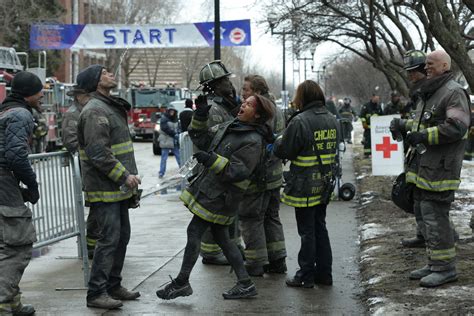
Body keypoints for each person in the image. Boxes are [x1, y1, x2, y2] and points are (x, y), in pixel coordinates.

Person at [156, 93, 274, 300]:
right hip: (213, 192)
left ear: (257, 115)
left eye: (248, 105)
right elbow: (200, 138)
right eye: (244, 102)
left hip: (222, 197)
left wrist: (211, 160)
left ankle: (182, 282)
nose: (242, 105)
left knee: (194, 231)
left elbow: (239, 171)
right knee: (223, 238)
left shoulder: (253, 140)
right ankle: (245, 283)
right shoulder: (232, 126)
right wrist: (200, 115)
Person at [390, 50, 470, 287]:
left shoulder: (453, 92)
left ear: (445, 65)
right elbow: (421, 124)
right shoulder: (431, 92)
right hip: (425, 166)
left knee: (436, 216)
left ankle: (445, 268)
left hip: (441, 169)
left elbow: (457, 127)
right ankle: (434, 262)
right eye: (425, 66)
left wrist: (423, 136)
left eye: (430, 64)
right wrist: (403, 126)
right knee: (425, 213)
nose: (426, 69)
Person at [77, 64, 142, 309]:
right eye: (104, 72)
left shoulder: (107, 106)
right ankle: (96, 293)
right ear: (94, 82)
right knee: (109, 239)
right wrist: (124, 176)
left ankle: (113, 286)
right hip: (105, 188)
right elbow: (98, 152)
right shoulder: (95, 111)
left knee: (121, 236)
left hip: (116, 189)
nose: (110, 74)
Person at [273, 80, 339, 288]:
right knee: (320, 227)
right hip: (324, 183)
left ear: (302, 97)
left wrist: (277, 141)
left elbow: (285, 151)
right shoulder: (332, 119)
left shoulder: (300, 121)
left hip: (304, 186)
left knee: (307, 231)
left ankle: (305, 275)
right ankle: (324, 275)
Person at [0, 71, 44, 316]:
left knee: (4, 245)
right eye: (40, 92)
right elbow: (16, 156)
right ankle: (3, 304)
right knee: (17, 246)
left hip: (6, 184)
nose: (42, 97)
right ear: (28, 93)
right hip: (4, 184)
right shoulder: (21, 114)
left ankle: (12, 302)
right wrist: (32, 185)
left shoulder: (5, 111)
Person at [239, 74, 287, 276]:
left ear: (257, 92)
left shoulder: (259, 110)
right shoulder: (277, 110)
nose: (243, 94)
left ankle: (256, 263)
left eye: (246, 90)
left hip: (258, 176)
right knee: (272, 217)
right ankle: (278, 261)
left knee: (252, 219)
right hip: (275, 175)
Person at [195, 60, 242, 265]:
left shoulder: (225, 106)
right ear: (214, 85)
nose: (229, 84)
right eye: (224, 80)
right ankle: (211, 253)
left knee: (228, 212)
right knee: (213, 212)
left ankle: (230, 247)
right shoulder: (213, 109)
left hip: (225, 167)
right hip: (215, 168)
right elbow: (212, 141)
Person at [62, 82, 100, 260]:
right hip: (88, 167)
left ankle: (96, 243)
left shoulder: (90, 111)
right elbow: (71, 141)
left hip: (96, 166)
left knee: (99, 206)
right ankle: (90, 246)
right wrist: (91, 155)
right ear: (78, 96)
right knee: (96, 206)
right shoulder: (72, 114)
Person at [158, 105, 181, 179]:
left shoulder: (176, 119)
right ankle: (161, 172)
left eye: (173, 111)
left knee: (179, 157)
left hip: (174, 141)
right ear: (168, 111)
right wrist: (174, 134)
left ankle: (183, 171)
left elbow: (178, 127)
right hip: (166, 141)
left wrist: (178, 132)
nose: (172, 112)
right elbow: (164, 128)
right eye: (171, 111)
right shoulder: (164, 118)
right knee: (164, 158)